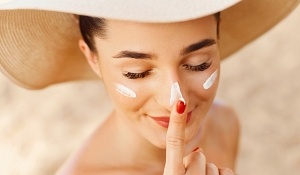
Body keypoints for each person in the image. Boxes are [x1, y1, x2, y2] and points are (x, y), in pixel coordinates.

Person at [0, 0, 298, 174]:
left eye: (198, 63)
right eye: (137, 72)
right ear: (92, 57)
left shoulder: (223, 124)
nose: (174, 98)